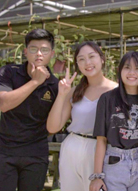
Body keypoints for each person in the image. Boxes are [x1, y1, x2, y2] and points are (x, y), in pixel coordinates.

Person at [46, 41, 117, 191]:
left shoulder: (115, 90)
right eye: (81, 59)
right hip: (72, 147)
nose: (87, 63)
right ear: (77, 64)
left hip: (100, 149)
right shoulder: (75, 92)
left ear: (102, 59)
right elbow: (52, 127)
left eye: (92, 57)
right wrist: (62, 95)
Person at [0, 29, 58, 191]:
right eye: (33, 49)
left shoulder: (55, 85)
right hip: (5, 152)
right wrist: (35, 82)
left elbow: (54, 125)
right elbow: (3, 104)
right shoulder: (9, 72)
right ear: (25, 52)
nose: (39, 54)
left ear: (52, 53)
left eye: (44, 50)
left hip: (36, 154)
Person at [89, 51, 138, 191]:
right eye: (127, 67)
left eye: (137, 69)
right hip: (114, 164)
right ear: (120, 70)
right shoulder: (107, 99)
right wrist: (97, 176)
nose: (131, 72)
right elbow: (101, 140)